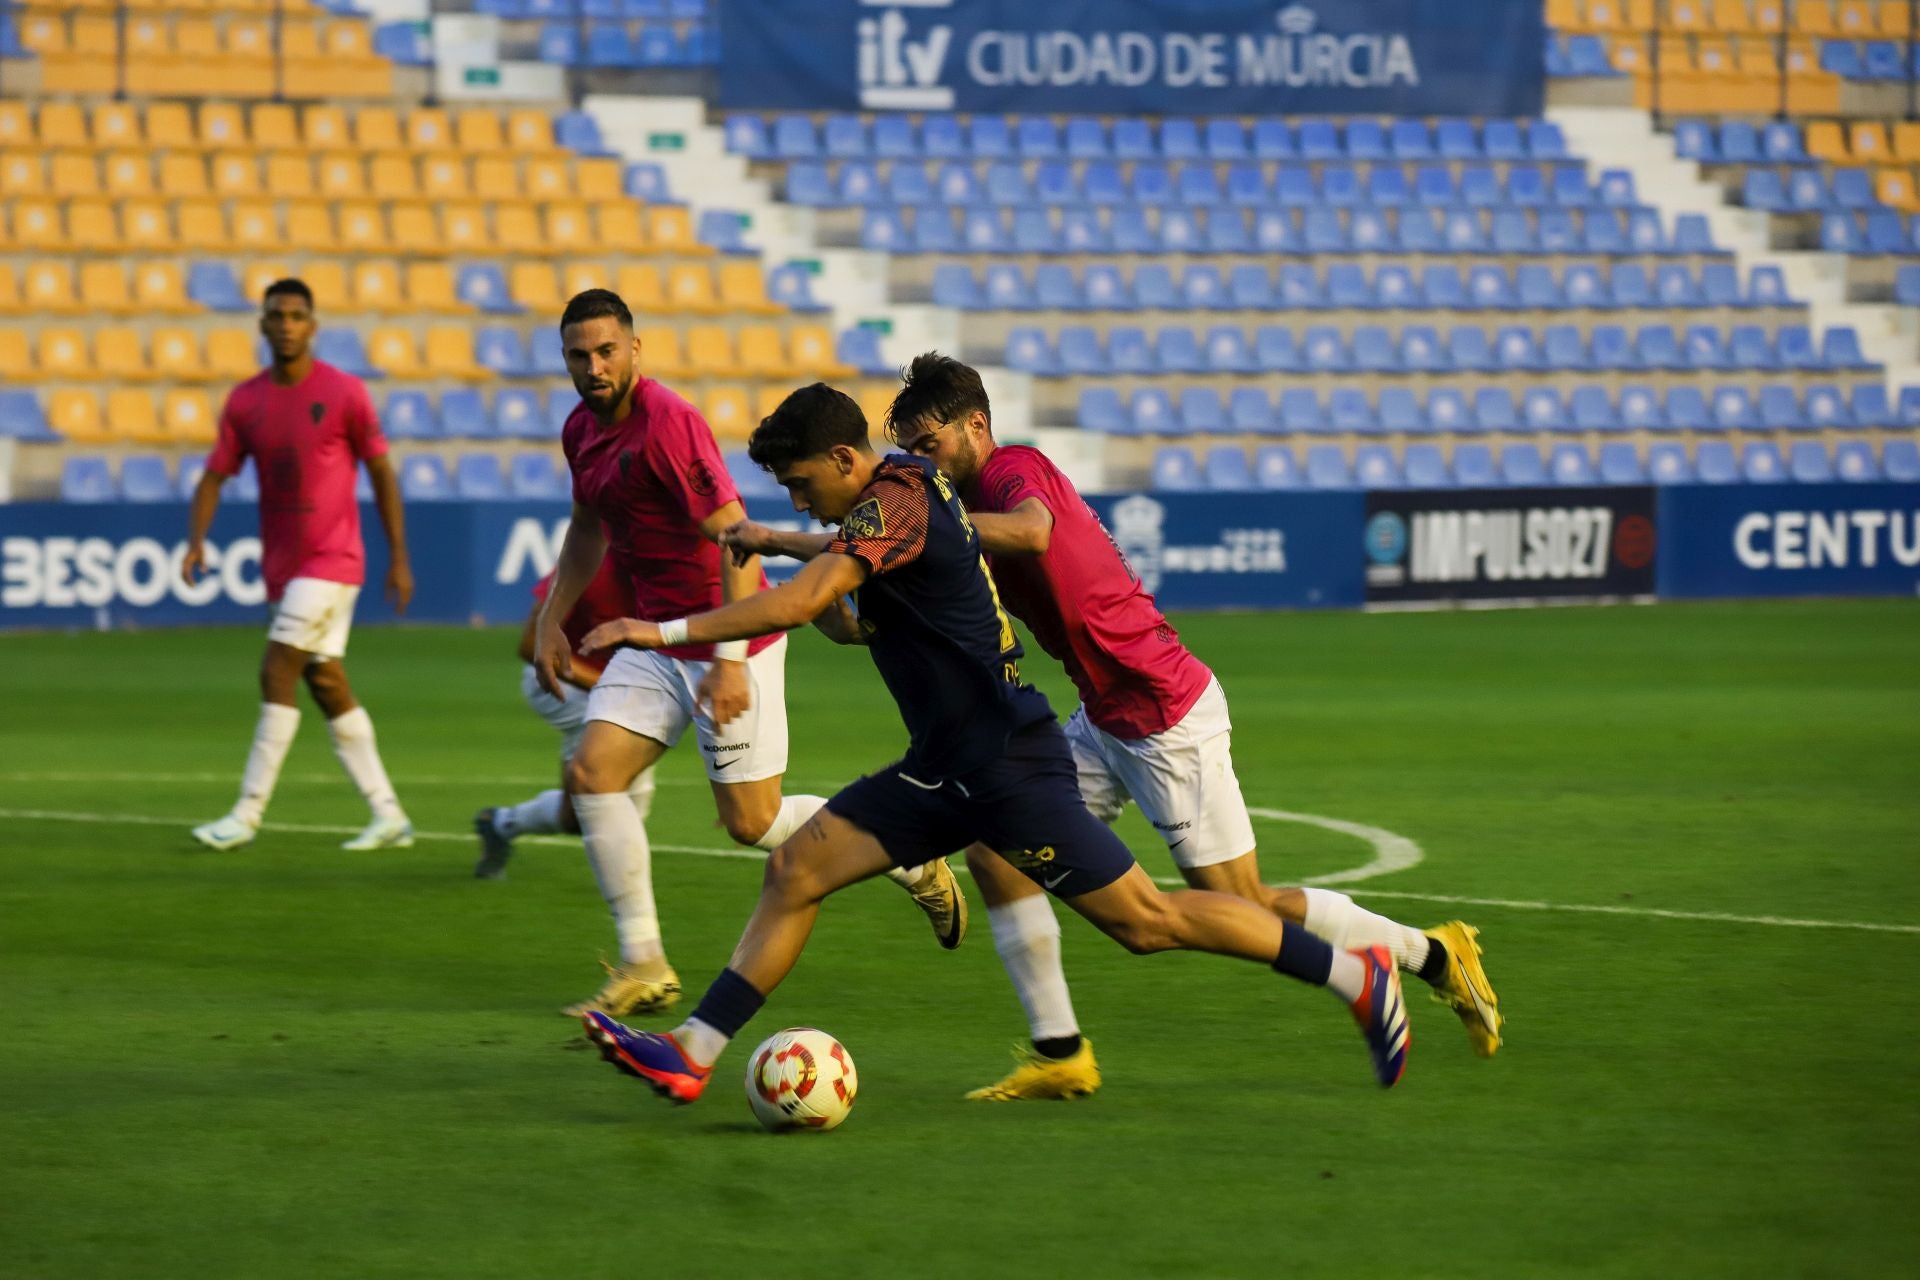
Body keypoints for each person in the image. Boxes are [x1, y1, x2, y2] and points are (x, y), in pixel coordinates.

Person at [577, 384, 1411, 1106]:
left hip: (1007, 766)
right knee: (795, 870)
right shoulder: (890, 501)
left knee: (1148, 923)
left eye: (801, 485)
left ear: (842, 457)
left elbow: (808, 602)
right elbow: (844, 609)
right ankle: (692, 1055)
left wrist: (658, 630)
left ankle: (1355, 977)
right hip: (941, 770)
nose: (799, 502)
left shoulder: (896, 503)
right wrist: (793, 558)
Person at [532, 291, 965, 1020]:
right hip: (655, 636)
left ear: (635, 350)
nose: (594, 365)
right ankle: (643, 963)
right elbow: (587, 528)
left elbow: (737, 537)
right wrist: (553, 619)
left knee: (752, 823)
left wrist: (730, 658)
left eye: (607, 351)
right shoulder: (581, 429)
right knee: (591, 773)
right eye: (579, 354)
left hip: (728, 633)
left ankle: (910, 853)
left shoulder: (669, 426)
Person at [184, 278, 414, 853]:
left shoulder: (345, 393)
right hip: (284, 568)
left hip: (332, 561)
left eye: (296, 315)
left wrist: (399, 557)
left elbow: (382, 472)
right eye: (276, 315)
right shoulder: (245, 401)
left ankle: (247, 813)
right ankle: (390, 815)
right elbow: (214, 475)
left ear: (312, 326)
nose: (285, 324)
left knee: (275, 670)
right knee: (326, 681)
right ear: (261, 326)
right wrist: (196, 540)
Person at [471, 556, 654, 882]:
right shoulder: (588, 568)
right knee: (627, 764)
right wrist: (605, 686)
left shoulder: (671, 572)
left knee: (575, 816)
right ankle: (628, 886)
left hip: (617, 688)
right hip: (561, 684)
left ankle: (500, 823)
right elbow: (530, 645)